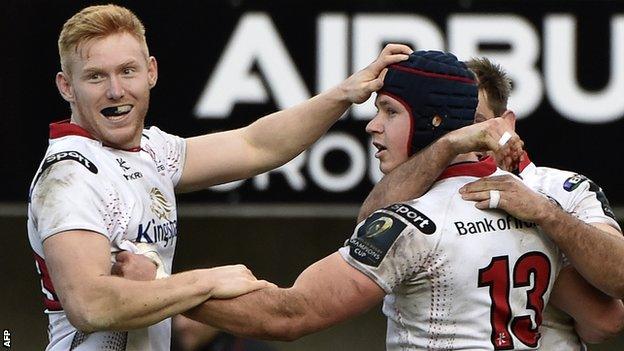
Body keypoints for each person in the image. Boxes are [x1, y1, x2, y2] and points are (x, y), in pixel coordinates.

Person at [26, 4, 411, 351]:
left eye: (127, 71)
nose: (115, 90)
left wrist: (343, 94)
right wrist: (206, 282)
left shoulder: (150, 150)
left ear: (151, 72)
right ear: (66, 87)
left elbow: (256, 145)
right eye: (95, 76)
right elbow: (91, 306)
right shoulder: (70, 176)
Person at [179, 51, 574, 350]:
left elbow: (289, 314)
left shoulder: (412, 223)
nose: (373, 125)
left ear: (432, 122)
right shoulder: (539, 201)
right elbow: (601, 321)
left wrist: (162, 290)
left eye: (389, 111)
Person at [357, 56, 624, 348]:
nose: (470, 137)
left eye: (476, 123)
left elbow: (608, 311)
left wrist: (547, 218)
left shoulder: (563, 188)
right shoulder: (420, 186)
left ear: (506, 122)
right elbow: (366, 233)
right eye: (456, 128)